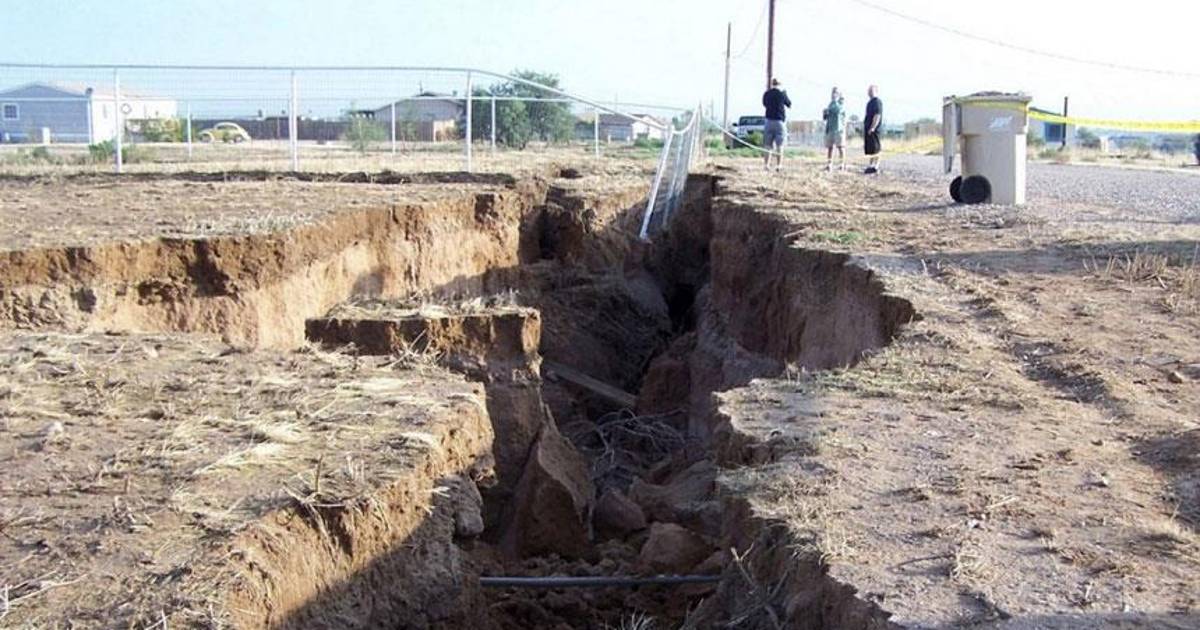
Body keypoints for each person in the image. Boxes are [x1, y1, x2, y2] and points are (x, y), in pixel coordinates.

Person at [761, 78, 792, 171]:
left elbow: (764, 104)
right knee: (780, 145)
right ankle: (779, 165)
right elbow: (789, 104)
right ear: (779, 84)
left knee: (767, 145)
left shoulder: (767, 94)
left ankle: (766, 165)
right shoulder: (782, 94)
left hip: (769, 120)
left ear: (772, 84)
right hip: (779, 121)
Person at [822, 87, 847, 171]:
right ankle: (829, 164)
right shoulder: (830, 104)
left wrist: (835, 101)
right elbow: (826, 117)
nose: (833, 94)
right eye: (833, 92)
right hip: (830, 128)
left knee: (840, 147)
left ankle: (842, 164)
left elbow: (838, 111)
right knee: (830, 147)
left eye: (835, 92)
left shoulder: (840, 103)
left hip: (839, 129)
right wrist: (825, 113)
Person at [863, 85, 883, 174]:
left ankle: (876, 166)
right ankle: (871, 165)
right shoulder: (869, 103)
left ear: (875, 91)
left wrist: (873, 127)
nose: (869, 92)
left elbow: (877, 115)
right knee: (870, 148)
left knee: (876, 148)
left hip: (874, 130)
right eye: (869, 90)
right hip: (868, 128)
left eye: (871, 90)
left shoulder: (877, 102)